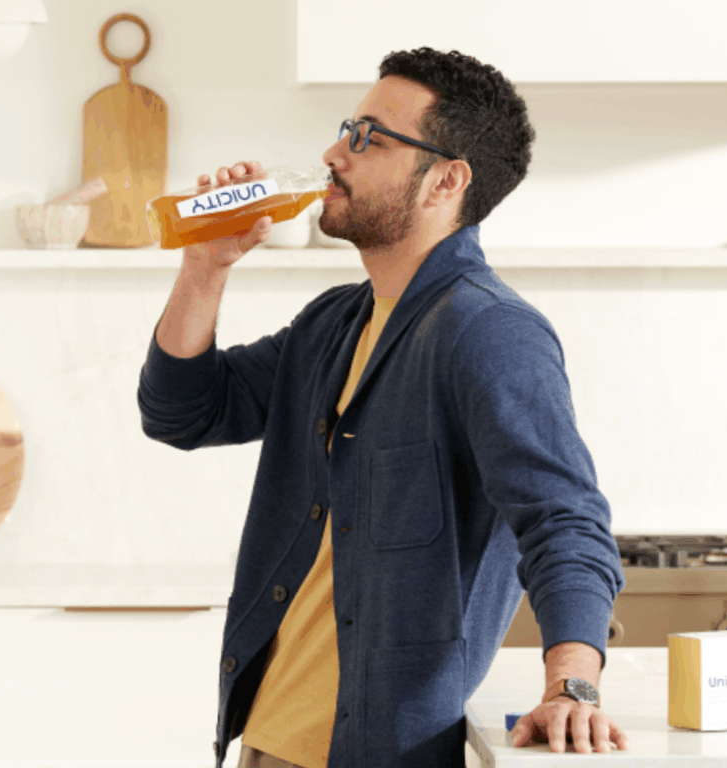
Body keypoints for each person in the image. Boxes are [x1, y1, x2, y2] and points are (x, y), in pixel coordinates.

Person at [137, 47, 627, 768]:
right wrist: (204, 269)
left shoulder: (488, 332)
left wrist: (574, 685)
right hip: (270, 740)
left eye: (369, 137)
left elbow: (563, 518)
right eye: (346, 128)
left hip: (377, 750)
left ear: (446, 180)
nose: (336, 153)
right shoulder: (334, 324)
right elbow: (182, 412)